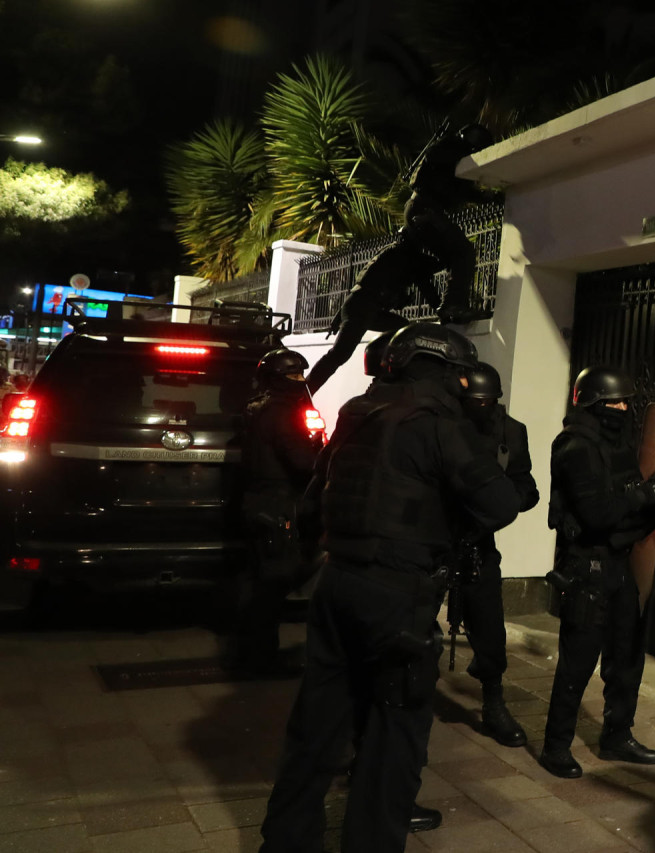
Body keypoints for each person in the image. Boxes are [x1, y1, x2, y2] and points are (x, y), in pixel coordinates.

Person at [258, 322, 521, 853]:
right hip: (397, 594)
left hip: (336, 584)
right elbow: (500, 506)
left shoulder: (358, 413)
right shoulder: (438, 424)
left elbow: (312, 505)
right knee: (394, 735)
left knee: (316, 729)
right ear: (448, 372)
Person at [538, 366, 655, 779]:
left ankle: (617, 735)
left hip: (618, 562)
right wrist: (636, 497)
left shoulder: (617, 446)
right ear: (593, 403)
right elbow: (596, 514)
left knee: (626, 656)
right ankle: (556, 746)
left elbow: (629, 506)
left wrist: (648, 498)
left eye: (627, 402)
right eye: (615, 403)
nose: (624, 409)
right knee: (577, 663)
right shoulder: (574, 447)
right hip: (587, 566)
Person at [305, 125, 497, 392]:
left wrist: (441, 311)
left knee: (406, 333)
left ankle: (387, 380)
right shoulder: (397, 255)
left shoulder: (407, 258)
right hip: (364, 307)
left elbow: (423, 281)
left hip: (369, 307)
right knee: (340, 355)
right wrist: (447, 308)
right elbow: (368, 286)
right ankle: (304, 391)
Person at [451, 361, 540, 747]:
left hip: (479, 540)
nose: (482, 407)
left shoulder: (510, 431)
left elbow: (525, 484)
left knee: (489, 627)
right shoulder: (445, 426)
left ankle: (493, 702)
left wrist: (504, 504)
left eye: (488, 401)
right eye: (475, 400)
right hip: (438, 538)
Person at [233, 348, 322, 675]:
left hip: (257, 502)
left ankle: (251, 653)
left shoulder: (255, 407)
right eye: (294, 376)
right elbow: (302, 462)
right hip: (277, 505)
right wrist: (323, 460)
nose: (300, 382)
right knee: (272, 585)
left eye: (302, 375)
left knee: (258, 581)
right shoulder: (283, 412)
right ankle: (259, 659)